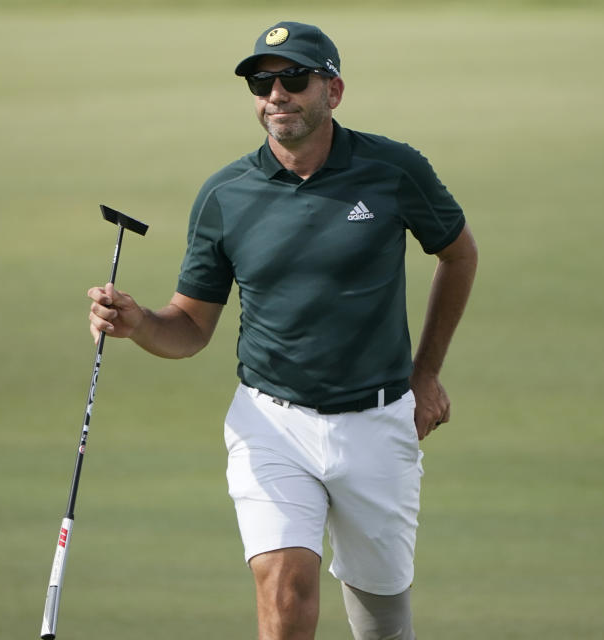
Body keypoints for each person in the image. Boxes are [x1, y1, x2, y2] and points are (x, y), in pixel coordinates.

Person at [88, 21, 478, 640]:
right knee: (286, 593)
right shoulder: (226, 195)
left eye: (294, 79)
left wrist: (426, 372)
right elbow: (189, 325)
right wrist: (138, 325)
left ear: (335, 90)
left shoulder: (393, 169)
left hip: (377, 423)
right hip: (271, 424)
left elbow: (458, 255)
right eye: (262, 83)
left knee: (383, 624)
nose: (276, 95)